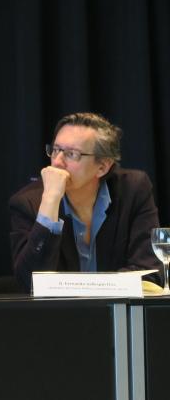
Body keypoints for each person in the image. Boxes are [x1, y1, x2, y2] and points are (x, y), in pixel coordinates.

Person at [9, 112, 161, 290]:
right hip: (60, 316)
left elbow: (149, 271)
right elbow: (30, 283)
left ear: (102, 167)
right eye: (56, 150)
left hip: (119, 313)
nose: (57, 162)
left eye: (71, 154)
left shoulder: (134, 189)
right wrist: (50, 202)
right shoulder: (28, 203)